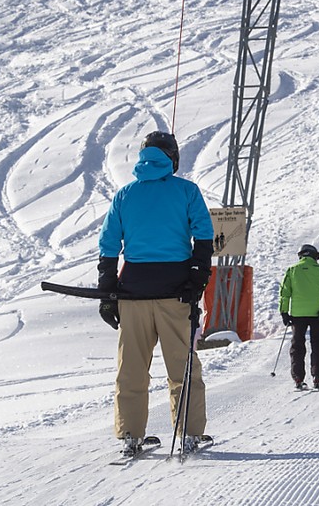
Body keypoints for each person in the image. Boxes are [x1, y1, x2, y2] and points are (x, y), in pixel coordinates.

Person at [97, 130, 215, 456]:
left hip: (132, 291)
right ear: (173, 158)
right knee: (182, 366)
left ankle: (131, 435)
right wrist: (198, 275)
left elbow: (108, 244)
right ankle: (189, 434)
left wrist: (107, 289)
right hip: (176, 291)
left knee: (132, 367)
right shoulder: (187, 191)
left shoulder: (125, 195)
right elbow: (204, 236)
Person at [279, 244, 319, 390]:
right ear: (316, 256)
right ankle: (317, 376)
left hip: (297, 314)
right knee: (318, 344)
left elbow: (285, 293)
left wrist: (284, 312)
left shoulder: (292, 270)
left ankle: (298, 377)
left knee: (297, 345)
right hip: (318, 314)